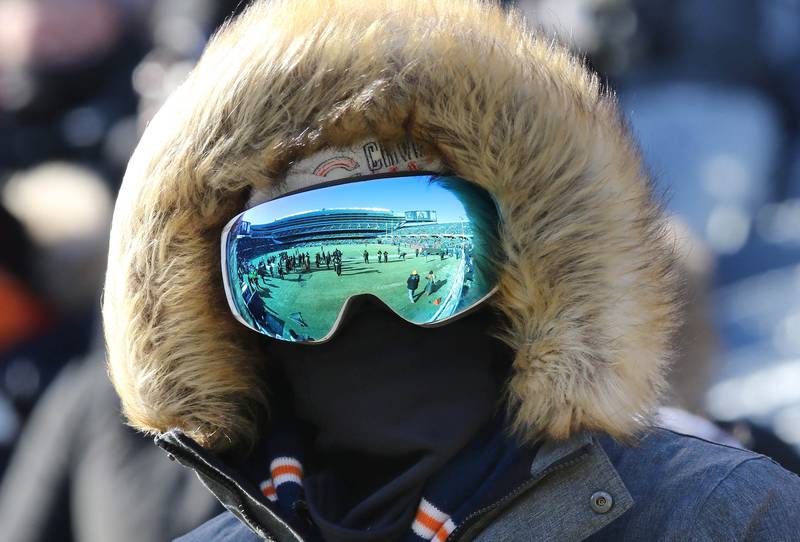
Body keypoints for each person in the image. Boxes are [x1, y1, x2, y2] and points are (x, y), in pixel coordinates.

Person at [102, 1, 800, 541]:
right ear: (217, 308)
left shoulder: (718, 516)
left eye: (421, 256)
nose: (365, 313)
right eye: (302, 272)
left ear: (528, 263)